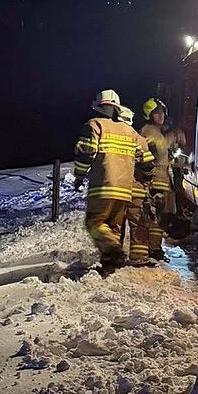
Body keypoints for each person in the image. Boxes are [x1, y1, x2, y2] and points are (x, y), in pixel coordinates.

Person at [73, 90, 155, 268]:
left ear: (99, 107)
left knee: (95, 222)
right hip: (125, 190)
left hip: (102, 187)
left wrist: (79, 176)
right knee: (114, 227)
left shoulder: (94, 125)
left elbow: (86, 153)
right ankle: (110, 264)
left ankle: (113, 250)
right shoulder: (130, 131)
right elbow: (147, 161)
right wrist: (146, 179)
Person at [116, 106, 154, 267]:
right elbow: (148, 164)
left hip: (114, 189)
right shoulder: (137, 138)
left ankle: (114, 258)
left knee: (115, 225)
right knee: (138, 224)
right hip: (134, 188)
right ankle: (138, 258)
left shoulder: (108, 137)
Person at [140, 98, 173, 261]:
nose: (161, 116)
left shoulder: (157, 132)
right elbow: (156, 151)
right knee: (155, 216)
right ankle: (152, 249)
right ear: (149, 114)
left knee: (161, 216)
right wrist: (173, 137)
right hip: (155, 180)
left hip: (162, 180)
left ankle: (154, 247)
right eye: (156, 113)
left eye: (162, 112)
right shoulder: (148, 132)